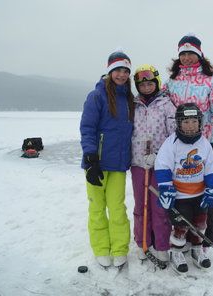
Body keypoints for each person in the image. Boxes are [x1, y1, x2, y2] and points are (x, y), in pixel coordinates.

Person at [163, 33, 213, 255]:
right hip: (178, 143)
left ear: (199, 54)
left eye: (191, 53)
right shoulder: (173, 79)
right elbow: (160, 103)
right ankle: (180, 237)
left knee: (205, 191)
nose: (187, 58)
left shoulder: (211, 78)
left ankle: (204, 240)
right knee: (182, 192)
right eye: (183, 54)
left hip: (204, 143)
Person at [79, 49, 134, 268]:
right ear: (110, 71)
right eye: (118, 70)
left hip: (118, 165)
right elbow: (87, 128)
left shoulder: (129, 98)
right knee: (97, 208)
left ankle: (120, 248)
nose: (122, 75)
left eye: (125, 71)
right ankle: (101, 248)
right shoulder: (96, 96)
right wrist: (91, 158)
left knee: (118, 208)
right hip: (97, 164)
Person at [154, 103, 213, 274]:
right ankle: (176, 252)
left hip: (200, 194)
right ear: (178, 123)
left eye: (194, 121)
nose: (190, 126)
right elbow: (162, 166)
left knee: (200, 224)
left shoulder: (204, 144)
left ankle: (196, 249)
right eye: (185, 122)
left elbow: (211, 166)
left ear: (200, 123)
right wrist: (166, 188)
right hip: (180, 196)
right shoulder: (171, 143)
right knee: (181, 226)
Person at [130, 64, 176, 263]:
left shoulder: (166, 104)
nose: (146, 87)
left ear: (156, 83)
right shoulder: (133, 105)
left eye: (150, 83)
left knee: (159, 206)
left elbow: (174, 134)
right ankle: (143, 242)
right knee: (141, 206)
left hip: (161, 166)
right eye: (142, 85)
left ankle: (162, 245)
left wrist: (160, 155)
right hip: (138, 164)